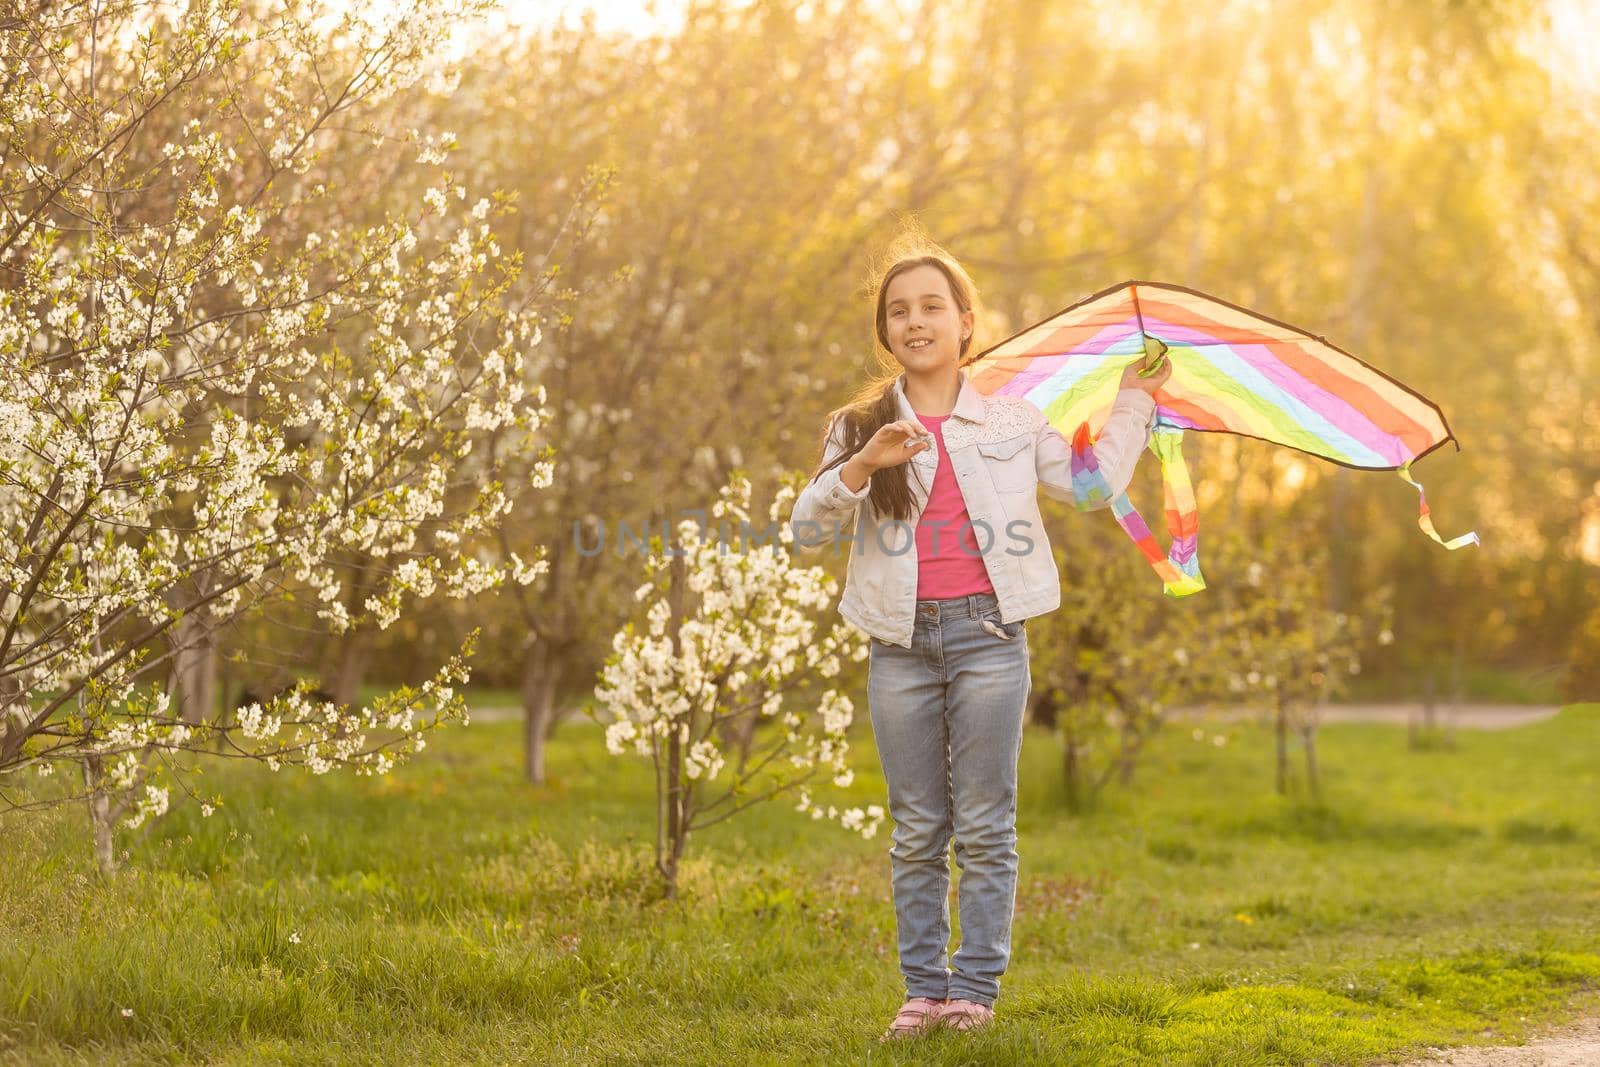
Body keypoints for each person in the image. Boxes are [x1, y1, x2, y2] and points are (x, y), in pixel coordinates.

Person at [789, 247, 1169, 1041]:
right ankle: (922, 991)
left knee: (987, 822)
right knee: (919, 825)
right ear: (885, 331)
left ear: (966, 323)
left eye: (933, 306)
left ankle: (973, 993)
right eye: (900, 310)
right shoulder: (856, 427)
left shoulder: (1012, 419)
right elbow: (805, 529)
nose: (916, 320)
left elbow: (1090, 487)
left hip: (990, 637)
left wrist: (1132, 402)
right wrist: (862, 463)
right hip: (900, 646)